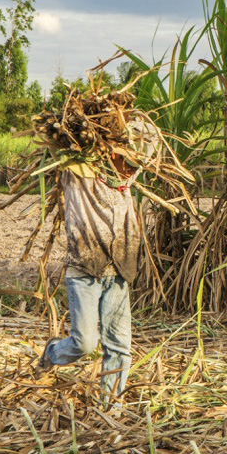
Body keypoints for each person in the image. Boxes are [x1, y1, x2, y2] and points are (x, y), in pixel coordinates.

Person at [35, 123, 152, 405]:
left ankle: (110, 405)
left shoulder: (127, 183)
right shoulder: (79, 178)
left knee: (119, 345)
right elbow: (63, 145)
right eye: (127, 160)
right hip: (85, 270)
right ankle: (52, 353)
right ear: (110, 155)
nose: (131, 168)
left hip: (120, 271)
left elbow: (150, 140)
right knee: (85, 343)